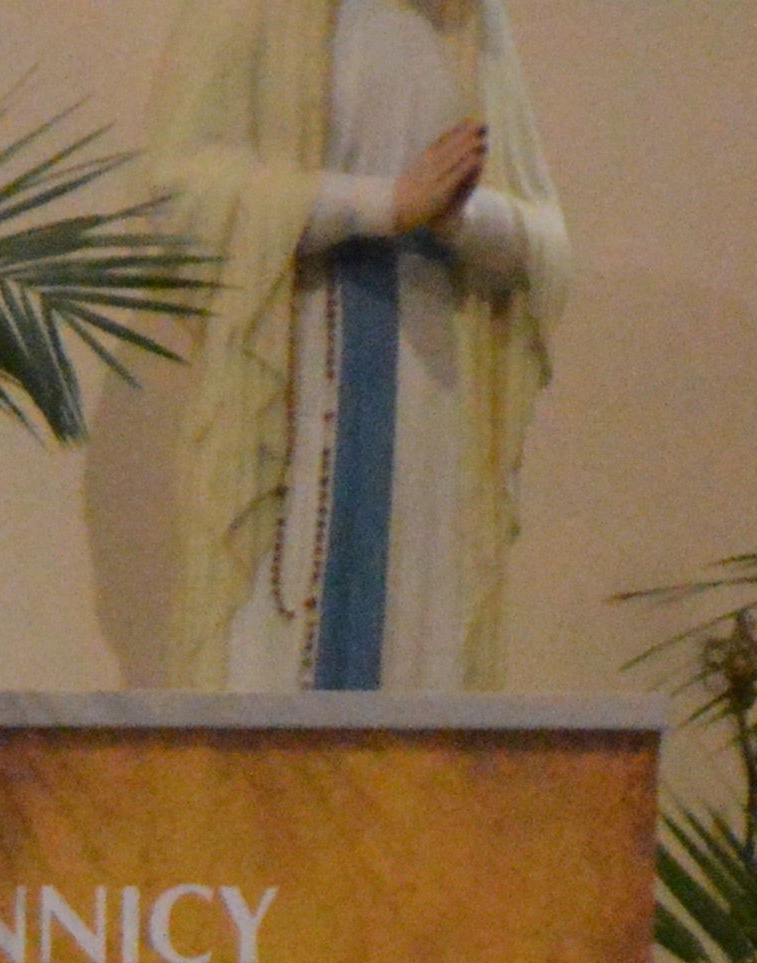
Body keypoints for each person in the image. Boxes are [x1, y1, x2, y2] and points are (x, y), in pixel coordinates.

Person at [141, 0, 568, 691]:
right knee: (271, 661)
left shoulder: (470, 23)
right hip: (294, 376)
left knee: (417, 658)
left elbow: (544, 242)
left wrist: (461, 218)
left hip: (431, 404)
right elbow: (177, 199)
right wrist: (381, 204)